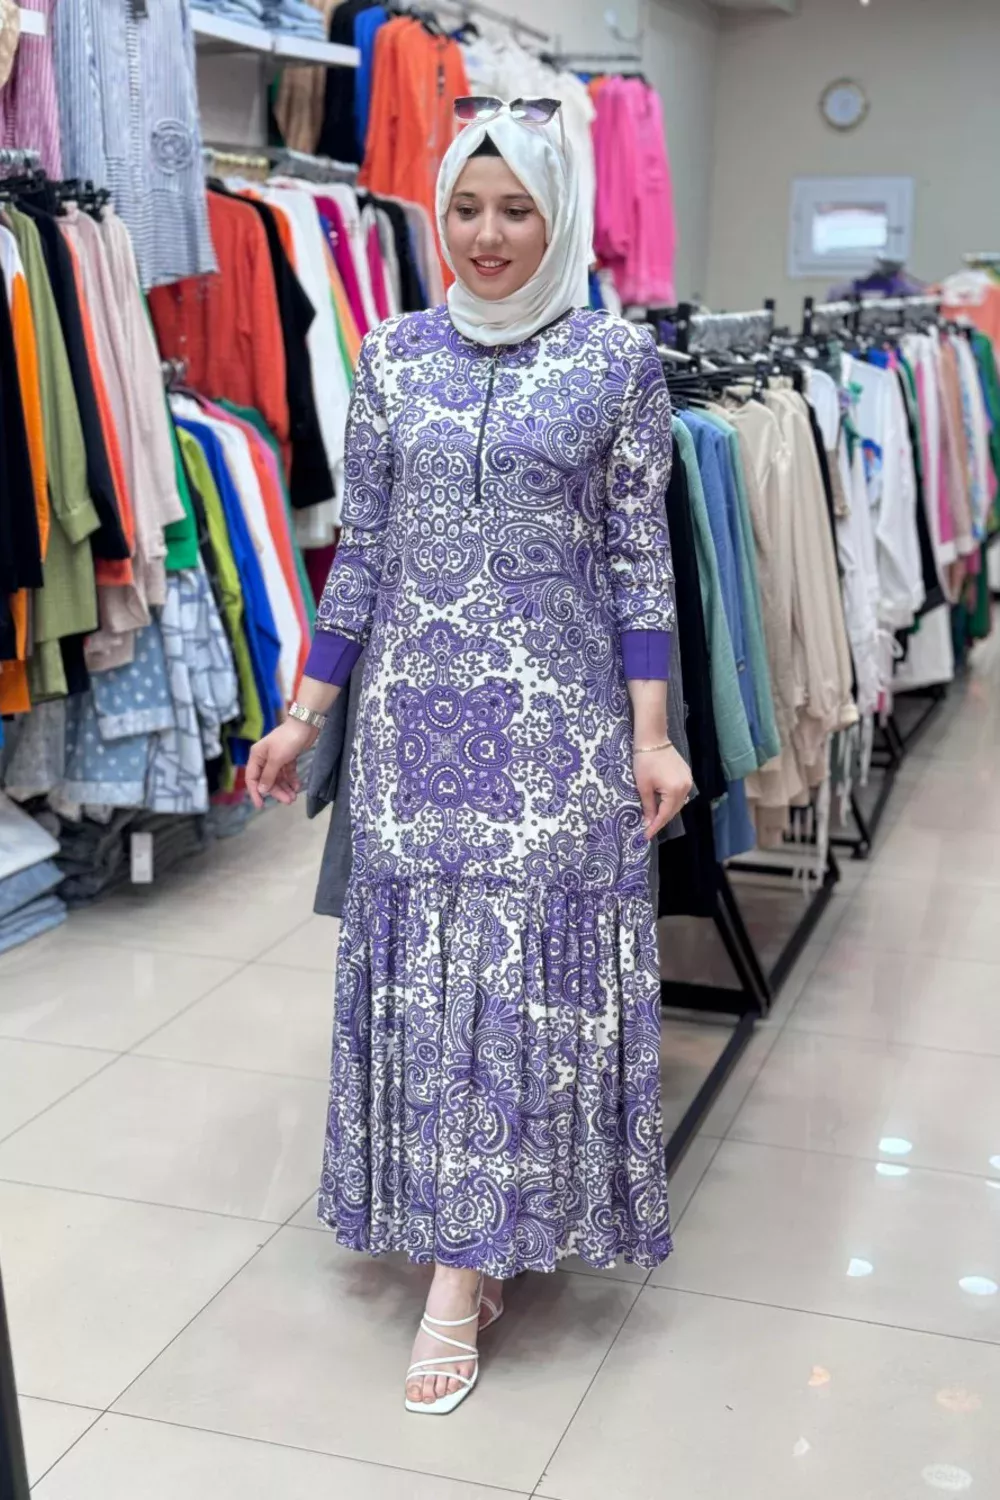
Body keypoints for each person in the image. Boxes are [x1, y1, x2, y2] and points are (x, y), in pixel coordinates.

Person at [246, 96, 692, 1416]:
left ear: (560, 219)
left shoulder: (619, 363)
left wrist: (654, 737)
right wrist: (306, 714)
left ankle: (463, 1268)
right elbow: (364, 557)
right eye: (465, 207)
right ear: (436, 213)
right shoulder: (390, 357)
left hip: (558, 738)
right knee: (434, 988)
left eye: (517, 209)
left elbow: (641, 564)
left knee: (517, 990)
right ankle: (463, 1234)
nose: (487, 234)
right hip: (412, 736)